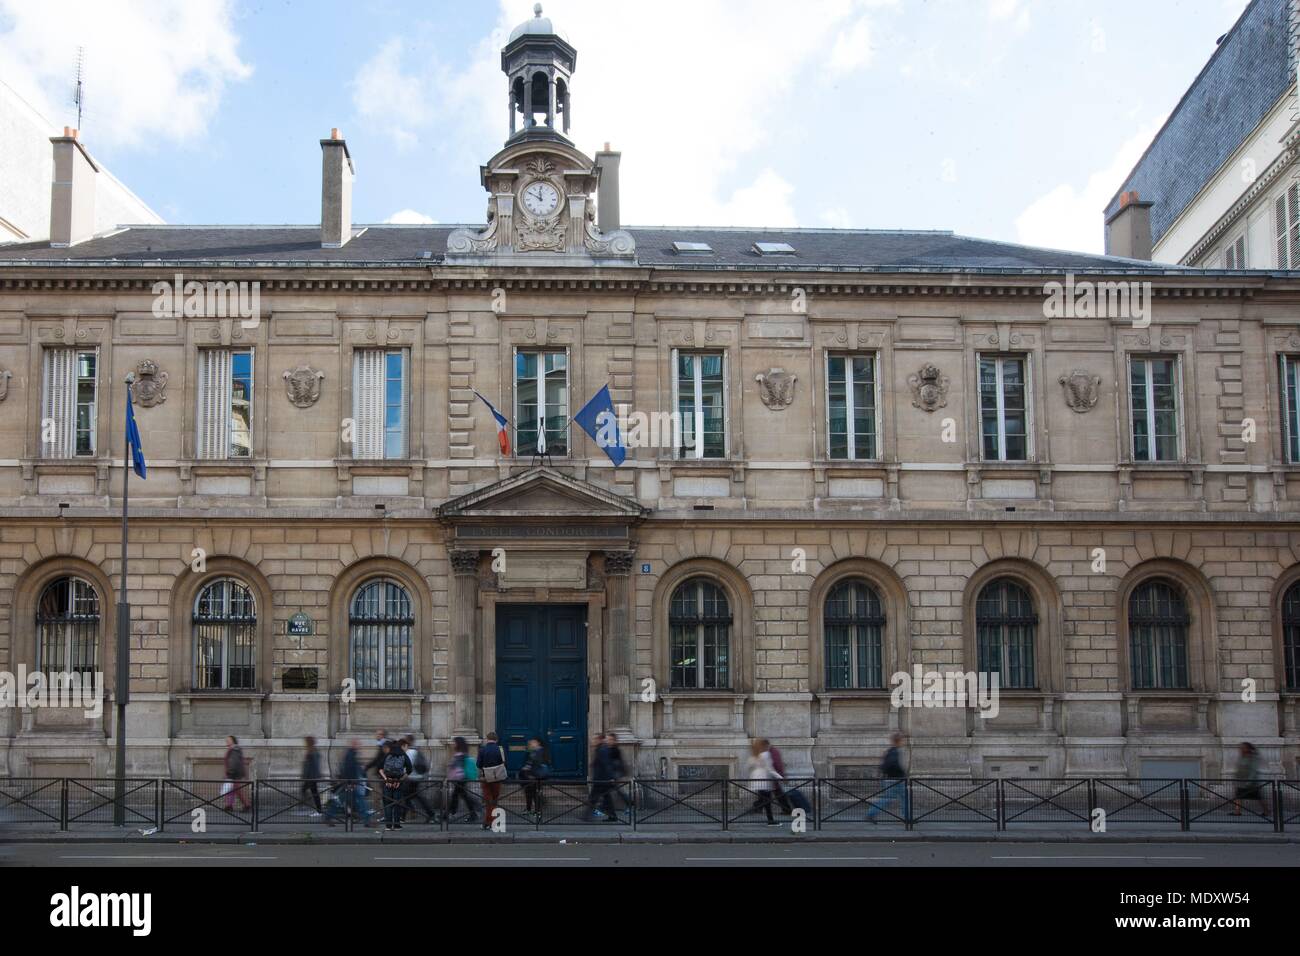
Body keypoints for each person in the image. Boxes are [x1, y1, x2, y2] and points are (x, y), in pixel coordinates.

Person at [866, 733, 909, 824]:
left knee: (888, 798)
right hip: (896, 779)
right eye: (902, 740)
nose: (904, 742)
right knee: (903, 798)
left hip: (890, 779)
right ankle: (907, 818)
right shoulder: (895, 752)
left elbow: (884, 765)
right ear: (899, 741)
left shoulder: (890, 751)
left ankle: (871, 814)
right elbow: (894, 765)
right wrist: (902, 773)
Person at [588, 732, 624, 823]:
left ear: (599, 740)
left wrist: (611, 777)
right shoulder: (600, 749)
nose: (592, 741)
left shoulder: (602, 750)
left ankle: (586, 816)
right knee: (607, 798)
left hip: (601, 779)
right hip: (601, 779)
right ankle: (612, 816)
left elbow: (607, 764)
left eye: (594, 739)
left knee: (593, 798)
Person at [400, 736, 438, 824]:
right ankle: (430, 814)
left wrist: (402, 776)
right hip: (416, 778)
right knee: (411, 797)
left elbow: (407, 767)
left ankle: (403, 817)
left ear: (406, 744)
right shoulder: (416, 751)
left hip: (411, 779)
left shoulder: (410, 752)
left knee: (407, 797)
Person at [378, 739, 412, 830]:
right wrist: (400, 780)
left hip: (387, 782)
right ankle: (397, 825)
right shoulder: (403, 755)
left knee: (387, 803)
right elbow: (410, 769)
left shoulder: (388, 755)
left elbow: (380, 768)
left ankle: (388, 825)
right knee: (397, 803)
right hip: (398, 782)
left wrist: (386, 779)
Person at [477, 732, 508, 830]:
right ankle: (490, 821)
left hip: (486, 777)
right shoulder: (500, 749)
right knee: (494, 800)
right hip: (497, 777)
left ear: (487, 739)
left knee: (488, 800)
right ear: (496, 739)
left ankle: (489, 822)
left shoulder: (482, 750)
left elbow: (478, 764)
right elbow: (503, 762)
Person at [746, 739, 781, 825]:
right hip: (765, 779)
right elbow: (769, 768)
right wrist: (780, 777)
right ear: (764, 746)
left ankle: (767, 818)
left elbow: (748, 766)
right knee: (766, 800)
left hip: (756, 779)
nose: (768, 747)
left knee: (764, 800)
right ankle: (769, 820)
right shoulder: (765, 754)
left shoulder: (754, 755)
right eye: (767, 745)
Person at [447, 737, 480, 824]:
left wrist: (453, 774)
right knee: (461, 796)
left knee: (460, 796)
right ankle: (451, 813)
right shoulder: (463, 753)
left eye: (454, 743)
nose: (453, 744)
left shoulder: (460, 755)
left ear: (458, 744)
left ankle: (474, 812)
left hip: (460, 779)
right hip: (461, 779)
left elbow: (458, 768)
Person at [1232, 742, 1267, 817]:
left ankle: (1266, 810)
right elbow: (1239, 768)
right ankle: (1237, 811)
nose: (1241, 749)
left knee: (1258, 797)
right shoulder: (1242, 757)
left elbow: (1253, 771)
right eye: (1241, 747)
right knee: (1238, 796)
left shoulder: (1253, 757)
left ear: (1248, 749)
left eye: (1243, 747)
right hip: (1242, 782)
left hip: (1251, 783)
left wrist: (1249, 782)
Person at [519, 736, 549, 820]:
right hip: (529, 777)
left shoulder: (540, 751)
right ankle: (530, 809)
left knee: (536, 794)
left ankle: (538, 811)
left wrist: (529, 767)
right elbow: (527, 760)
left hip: (536, 777)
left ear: (538, 742)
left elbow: (538, 763)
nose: (531, 743)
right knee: (530, 793)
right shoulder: (532, 751)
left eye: (533, 742)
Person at [223, 735, 251, 813]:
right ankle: (229, 805)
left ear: (233, 741)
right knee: (231, 790)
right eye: (227, 740)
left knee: (237, 790)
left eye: (229, 740)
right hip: (233, 773)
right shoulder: (233, 749)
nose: (227, 741)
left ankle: (247, 805)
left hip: (234, 774)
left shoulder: (234, 749)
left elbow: (234, 761)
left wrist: (230, 772)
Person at [301, 736, 323, 816]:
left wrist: (312, 776)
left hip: (311, 777)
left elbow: (314, 766)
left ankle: (318, 810)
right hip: (310, 777)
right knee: (308, 791)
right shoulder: (311, 750)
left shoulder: (312, 751)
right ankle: (314, 807)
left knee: (313, 793)